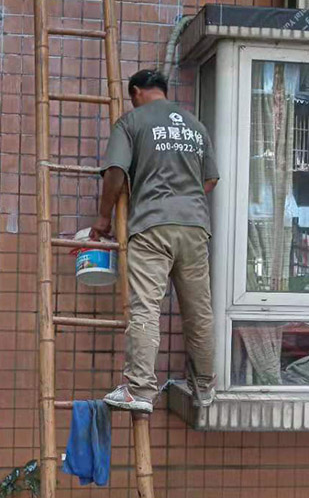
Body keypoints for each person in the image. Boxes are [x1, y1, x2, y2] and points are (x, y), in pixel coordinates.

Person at [90, 68, 219, 414]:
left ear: (135, 92)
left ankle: (140, 390)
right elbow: (210, 179)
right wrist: (184, 196)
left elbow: (116, 172)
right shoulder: (195, 125)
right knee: (198, 312)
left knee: (146, 307)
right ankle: (205, 386)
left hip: (151, 225)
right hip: (195, 226)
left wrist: (103, 217)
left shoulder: (131, 121)